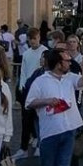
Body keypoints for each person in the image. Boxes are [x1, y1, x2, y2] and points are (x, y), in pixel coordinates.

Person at [26, 49, 83, 166]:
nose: (70, 63)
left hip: (69, 129)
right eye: (67, 60)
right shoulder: (41, 81)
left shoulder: (70, 78)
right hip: (49, 132)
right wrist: (47, 101)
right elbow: (29, 102)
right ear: (58, 63)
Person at [15, 28, 47, 159]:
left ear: (39, 37)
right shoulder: (27, 53)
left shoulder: (44, 51)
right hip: (27, 89)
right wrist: (22, 84)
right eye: (31, 39)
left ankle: (40, 144)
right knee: (26, 120)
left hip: (40, 90)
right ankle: (23, 148)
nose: (33, 41)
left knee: (40, 119)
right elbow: (23, 70)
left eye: (35, 38)